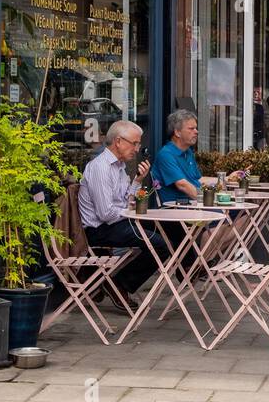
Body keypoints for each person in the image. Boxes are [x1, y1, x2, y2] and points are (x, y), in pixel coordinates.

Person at [78, 120, 166, 312]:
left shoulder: (119, 167)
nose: (137, 148)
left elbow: (127, 200)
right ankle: (119, 285)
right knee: (160, 244)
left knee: (166, 232)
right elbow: (106, 213)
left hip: (116, 224)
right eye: (134, 143)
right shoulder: (101, 167)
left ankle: (191, 268)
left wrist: (138, 180)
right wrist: (131, 212)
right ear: (118, 141)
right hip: (100, 230)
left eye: (138, 144)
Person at [153, 110, 202, 205]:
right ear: (177, 132)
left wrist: (224, 179)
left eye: (196, 128)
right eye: (191, 129)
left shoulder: (188, 152)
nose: (196, 132)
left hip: (193, 205)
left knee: (235, 212)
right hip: (178, 209)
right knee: (226, 213)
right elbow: (182, 185)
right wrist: (210, 200)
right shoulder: (166, 155)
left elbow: (198, 179)